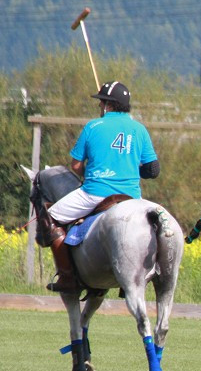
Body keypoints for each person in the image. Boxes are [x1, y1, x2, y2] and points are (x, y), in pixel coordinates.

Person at [45, 81, 159, 292]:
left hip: (94, 193)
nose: (99, 108)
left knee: (50, 216)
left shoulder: (93, 126)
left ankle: (67, 276)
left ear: (108, 105)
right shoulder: (139, 129)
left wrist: (91, 172)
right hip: (131, 197)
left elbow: (76, 165)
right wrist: (132, 170)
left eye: (101, 103)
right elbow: (153, 170)